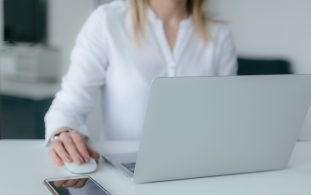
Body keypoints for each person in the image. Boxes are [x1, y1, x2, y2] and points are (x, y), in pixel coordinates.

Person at [45, 0, 238, 166]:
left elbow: (226, 117)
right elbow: (70, 103)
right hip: (122, 171)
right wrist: (63, 132)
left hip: (197, 168)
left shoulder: (219, 34)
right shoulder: (107, 21)